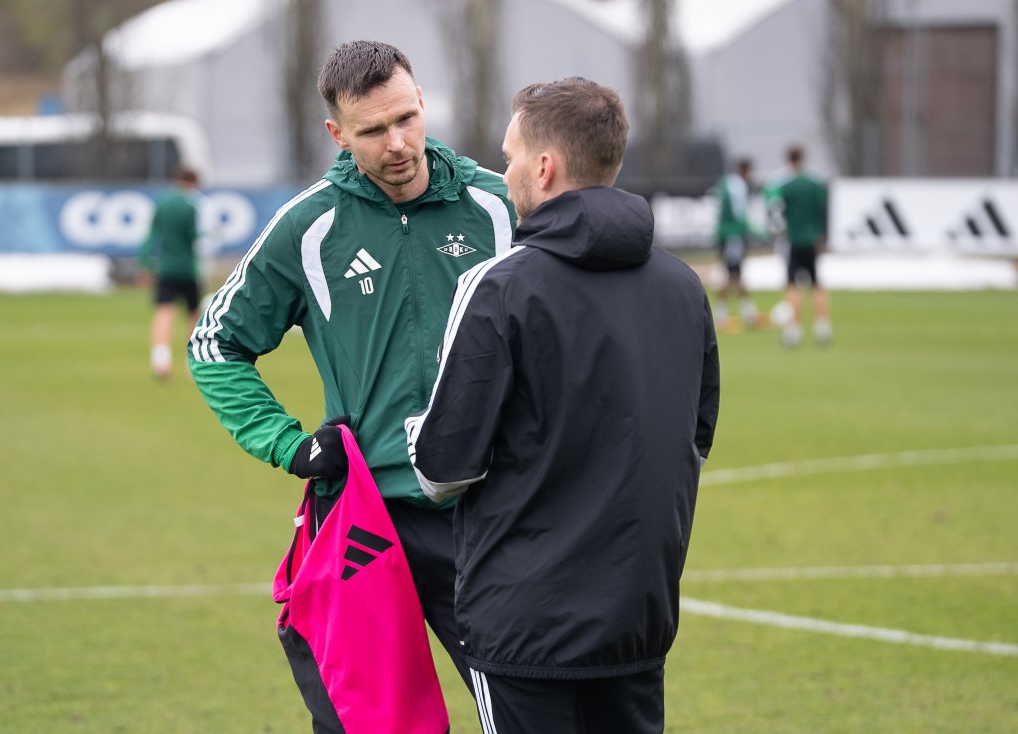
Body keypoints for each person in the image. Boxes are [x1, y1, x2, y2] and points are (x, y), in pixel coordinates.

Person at [187, 40, 516, 728]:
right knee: (366, 724)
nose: (397, 143)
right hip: (371, 525)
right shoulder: (310, 227)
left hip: (495, 518)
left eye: (405, 118)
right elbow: (214, 342)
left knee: (527, 716)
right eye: (372, 130)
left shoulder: (498, 205)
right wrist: (289, 446)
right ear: (337, 133)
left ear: (422, 102)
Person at [405, 77, 720, 734]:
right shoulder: (684, 287)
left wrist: (415, 431)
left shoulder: (498, 285)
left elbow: (442, 469)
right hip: (638, 619)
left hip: (524, 628)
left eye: (511, 153)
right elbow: (696, 436)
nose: (505, 169)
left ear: (544, 168)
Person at [138, 165, 202, 379]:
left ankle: (160, 359)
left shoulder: (162, 204)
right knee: (193, 314)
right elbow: (193, 238)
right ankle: (192, 361)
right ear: (193, 182)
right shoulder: (190, 207)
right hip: (188, 268)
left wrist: (145, 263)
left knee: (164, 312)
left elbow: (151, 236)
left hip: (165, 267)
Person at [772, 144, 831, 347]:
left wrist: (780, 231)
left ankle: (793, 330)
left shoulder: (786, 186)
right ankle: (822, 328)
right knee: (816, 284)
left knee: (792, 285)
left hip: (794, 240)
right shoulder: (815, 184)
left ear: (788, 160)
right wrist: (821, 236)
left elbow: (777, 214)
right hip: (812, 239)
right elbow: (822, 211)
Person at [713, 156, 760, 331]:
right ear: (745, 170)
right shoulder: (738, 186)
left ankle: (725, 314)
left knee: (730, 273)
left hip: (723, 234)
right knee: (734, 275)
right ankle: (742, 314)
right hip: (734, 235)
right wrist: (754, 229)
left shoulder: (724, 182)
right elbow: (739, 213)